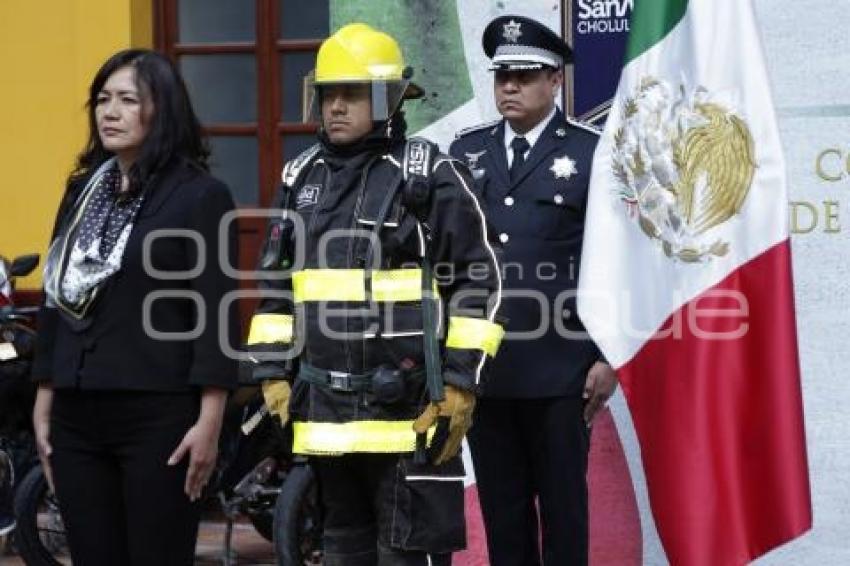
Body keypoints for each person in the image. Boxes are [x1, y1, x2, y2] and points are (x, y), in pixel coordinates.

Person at [245, 23, 503, 566]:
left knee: (406, 554)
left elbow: (477, 279)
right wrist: (272, 371)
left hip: (410, 413)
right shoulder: (299, 178)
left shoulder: (429, 175)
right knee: (341, 549)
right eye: (327, 93)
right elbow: (277, 286)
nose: (335, 107)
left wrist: (459, 381)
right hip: (324, 413)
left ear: (386, 98)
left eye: (352, 94)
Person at [30, 49, 239, 565]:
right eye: (103, 99)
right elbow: (58, 293)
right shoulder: (82, 191)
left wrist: (210, 419)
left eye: (127, 100)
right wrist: (44, 393)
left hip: (158, 413)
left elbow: (215, 313)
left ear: (161, 111)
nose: (110, 111)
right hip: (78, 409)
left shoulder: (199, 196)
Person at [449, 15, 618, 566]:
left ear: (555, 81)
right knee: (504, 513)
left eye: (524, 76)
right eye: (502, 78)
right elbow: (450, 258)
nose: (510, 88)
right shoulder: (467, 151)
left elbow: (615, 264)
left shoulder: (594, 152)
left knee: (565, 513)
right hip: (487, 368)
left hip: (561, 368)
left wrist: (607, 357)